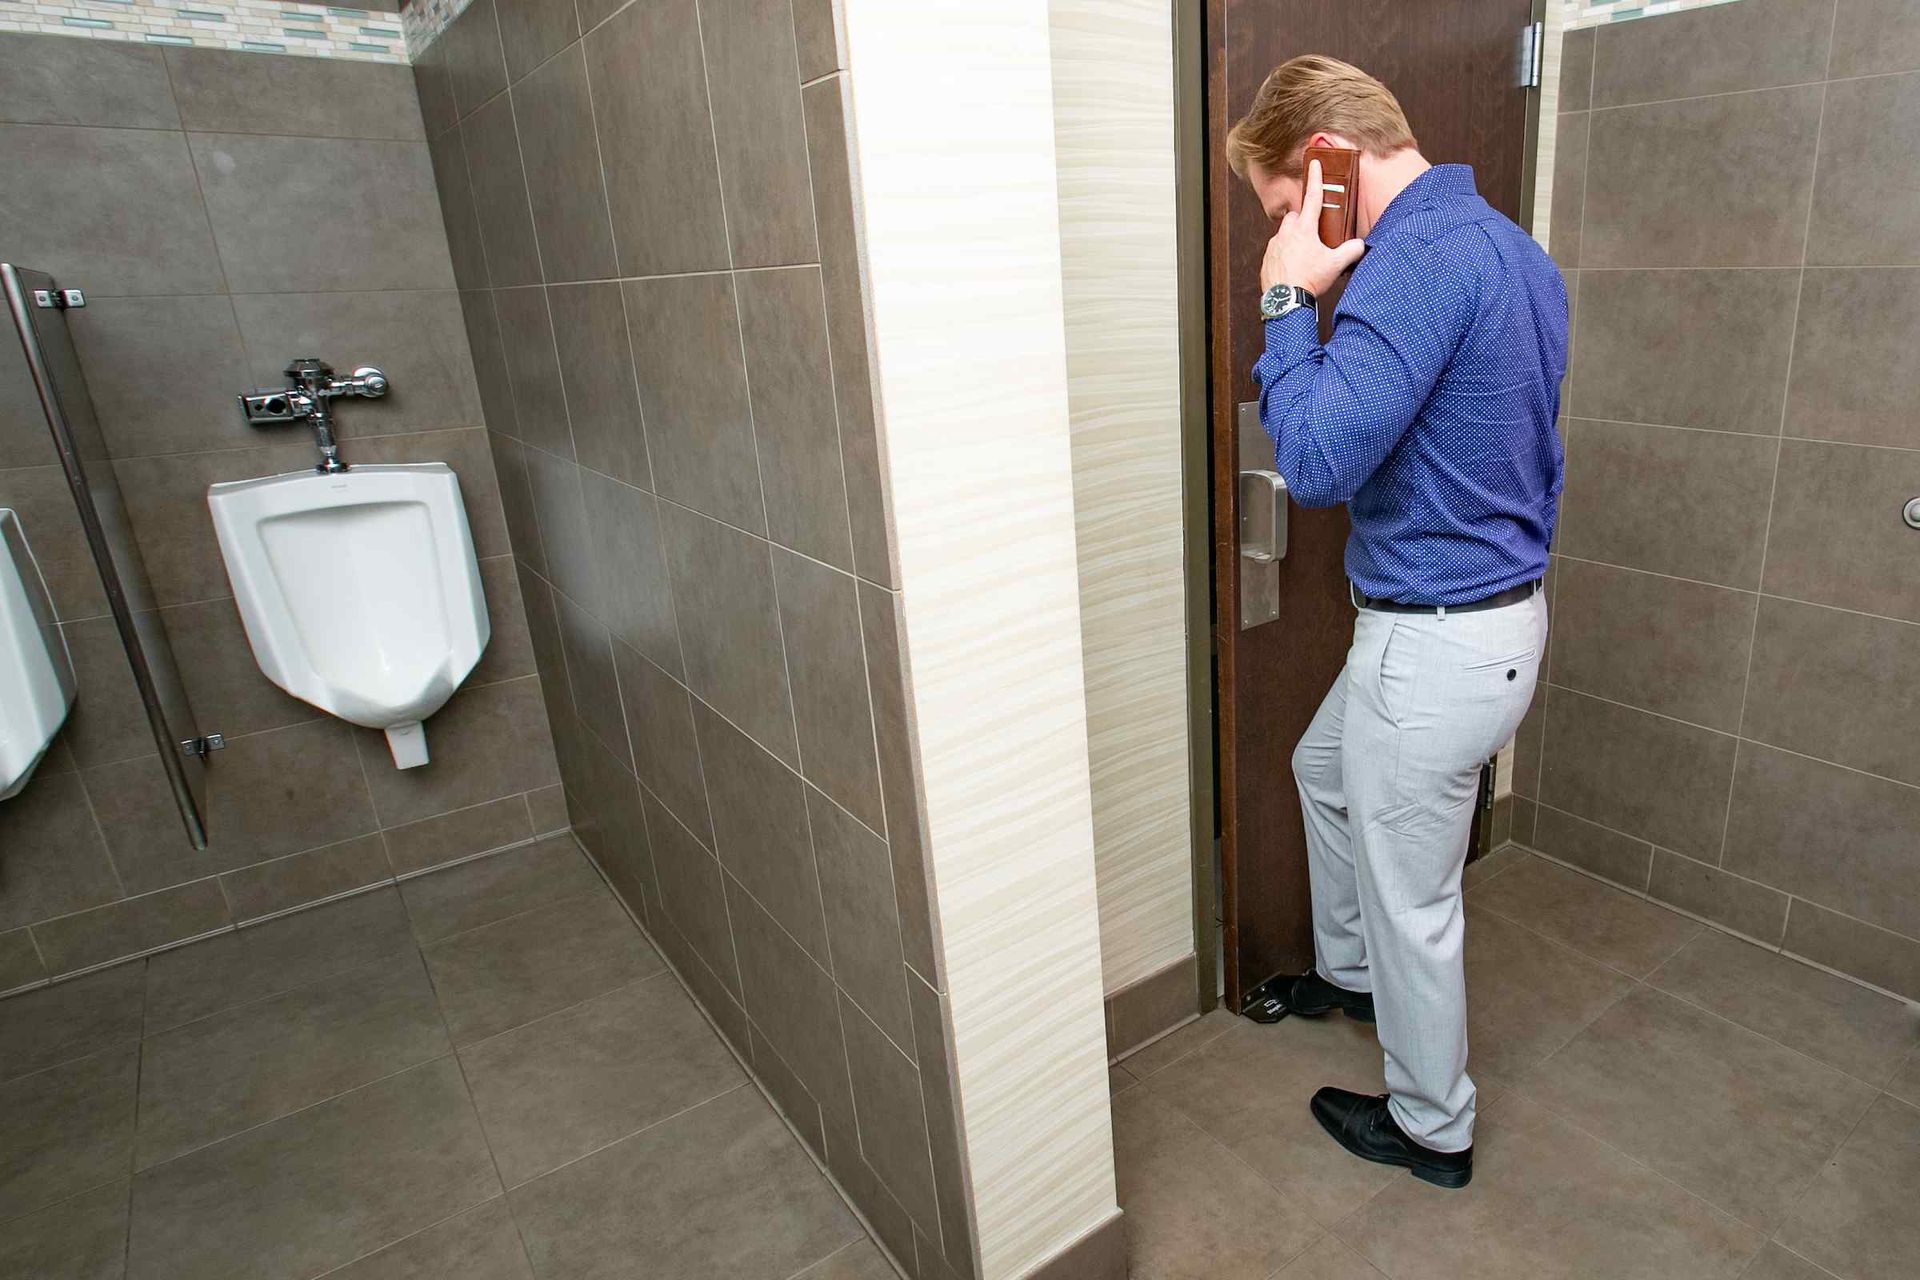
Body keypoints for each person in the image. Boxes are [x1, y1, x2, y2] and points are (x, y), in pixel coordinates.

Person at [1226, 55, 1566, 1189]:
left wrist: (1286, 294)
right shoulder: (1518, 253)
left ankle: (1432, 1123)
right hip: (1492, 629)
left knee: (1417, 898)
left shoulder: (1413, 263)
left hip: (1433, 644)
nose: (1285, 229)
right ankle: (1352, 970)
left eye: (1282, 205)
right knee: (1322, 767)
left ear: (1324, 164)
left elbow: (1317, 460)